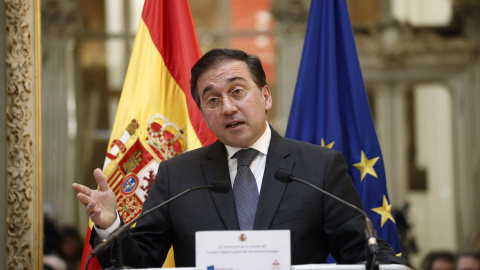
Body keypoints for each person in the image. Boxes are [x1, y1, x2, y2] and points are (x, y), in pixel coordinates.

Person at [72, 48, 404, 268]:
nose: (228, 107)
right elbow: (140, 262)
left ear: (265, 96)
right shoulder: (178, 175)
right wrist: (110, 225)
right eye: (212, 99)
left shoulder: (318, 167)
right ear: (203, 112)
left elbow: (361, 249)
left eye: (237, 91)